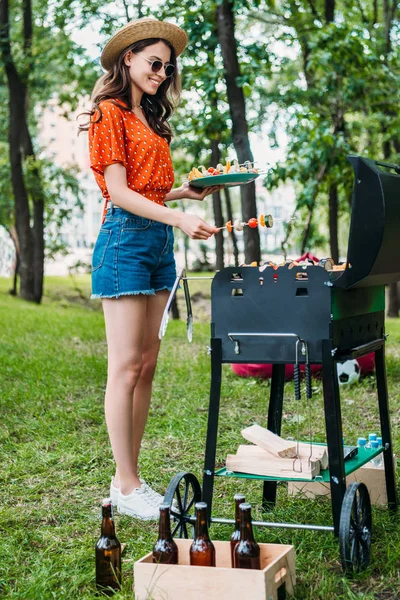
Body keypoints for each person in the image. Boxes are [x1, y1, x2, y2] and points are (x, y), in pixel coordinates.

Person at [79, 18, 220, 520]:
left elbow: (148, 190)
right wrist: (179, 217)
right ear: (128, 60)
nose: (161, 71)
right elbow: (117, 193)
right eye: (153, 62)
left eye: (167, 65)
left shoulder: (151, 121)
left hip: (158, 241)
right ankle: (127, 482)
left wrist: (186, 193)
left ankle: (128, 479)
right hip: (124, 241)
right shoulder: (108, 113)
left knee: (147, 366)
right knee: (125, 367)